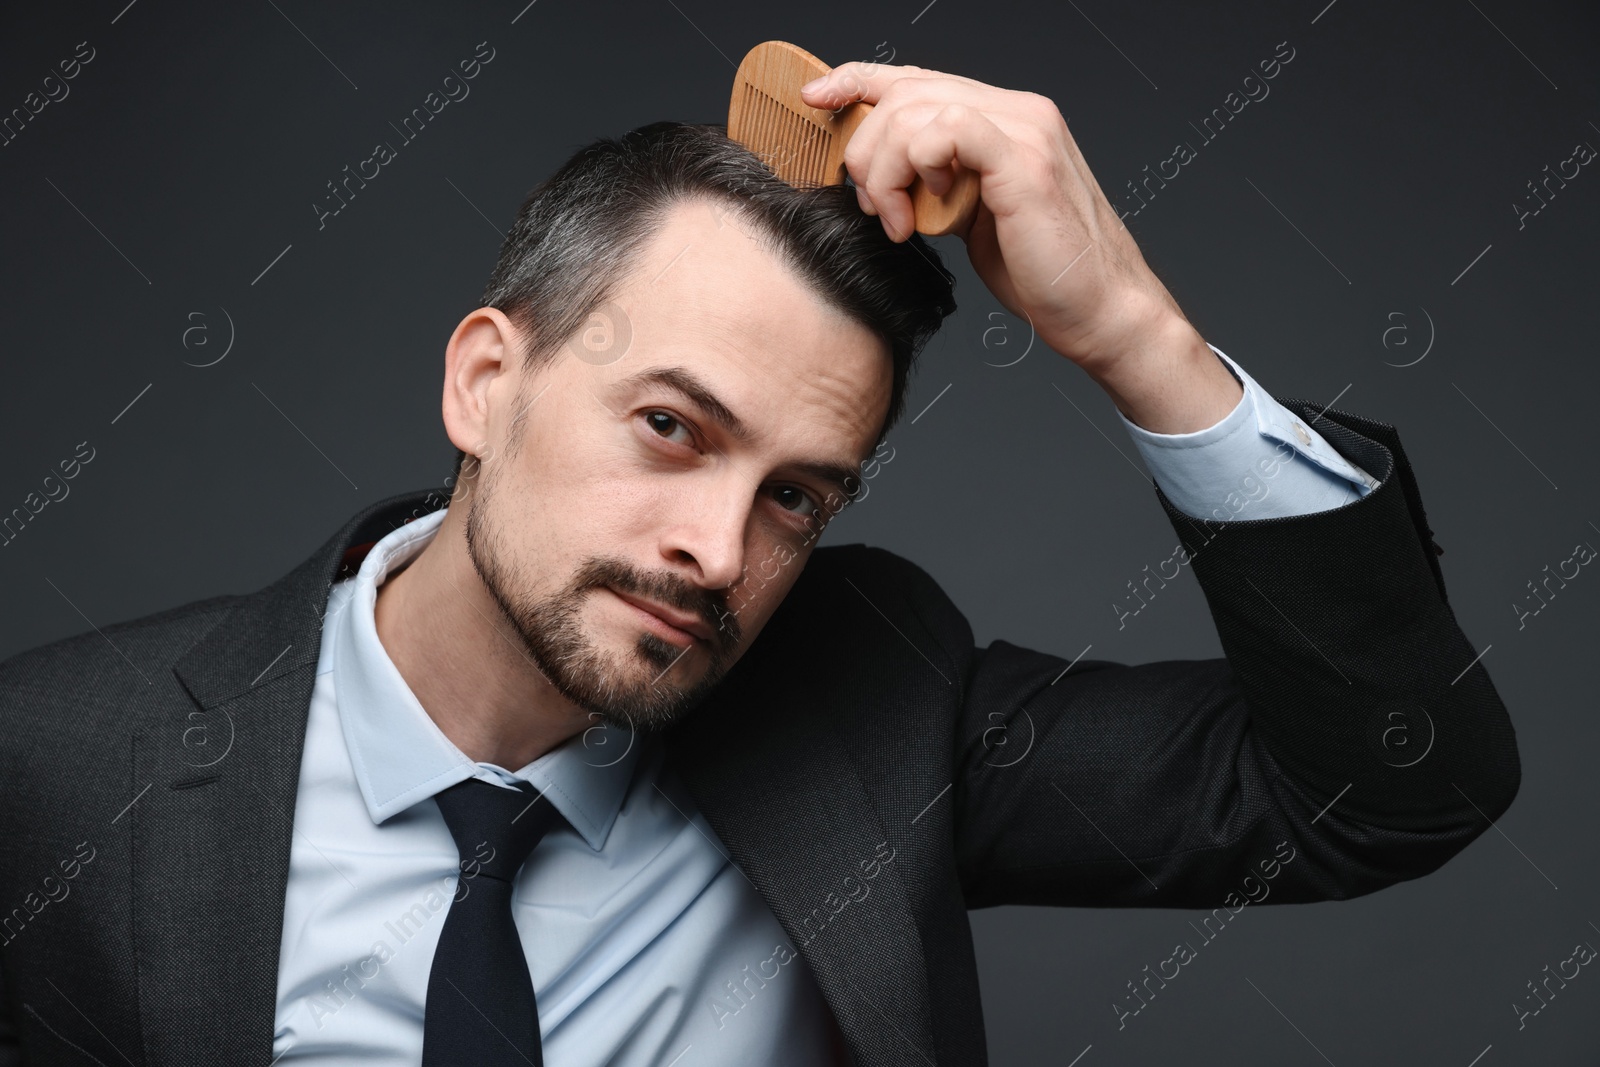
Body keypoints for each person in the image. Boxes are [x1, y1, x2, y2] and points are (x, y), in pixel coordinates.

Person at [0, 62, 1518, 1066]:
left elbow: (1391, 787)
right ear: (482, 382)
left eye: (799, 497)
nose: (716, 553)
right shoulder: (66, 767)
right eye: (670, 426)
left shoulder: (869, 704)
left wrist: (1131, 332)